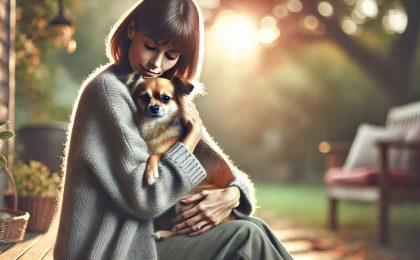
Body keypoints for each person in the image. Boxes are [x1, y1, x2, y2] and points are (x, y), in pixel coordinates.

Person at [54, 0, 293, 259]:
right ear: (132, 30)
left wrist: (233, 194)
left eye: (171, 55)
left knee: (254, 226)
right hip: (111, 249)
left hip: (145, 237)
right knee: (247, 237)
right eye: (151, 47)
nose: (156, 63)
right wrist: (191, 137)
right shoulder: (110, 92)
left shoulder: (162, 91)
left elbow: (221, 169)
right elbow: (146, 198)